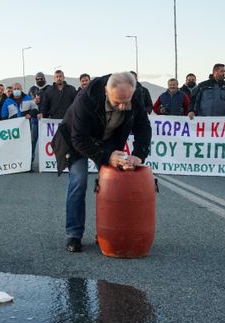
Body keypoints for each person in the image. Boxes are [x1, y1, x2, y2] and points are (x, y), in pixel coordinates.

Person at [50, 72, 152, 253]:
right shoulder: (86, 99)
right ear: (106, 92)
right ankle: (74, 234)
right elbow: (79, 139)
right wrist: (107, 157)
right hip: (76, 141)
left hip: (107, 140)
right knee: (79, 181)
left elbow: (143, 127)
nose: (122, 107)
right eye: (117, 102)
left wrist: (138, 154)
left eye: (126, 102)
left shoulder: (134, 96)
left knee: (112, 183)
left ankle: (106, 232)